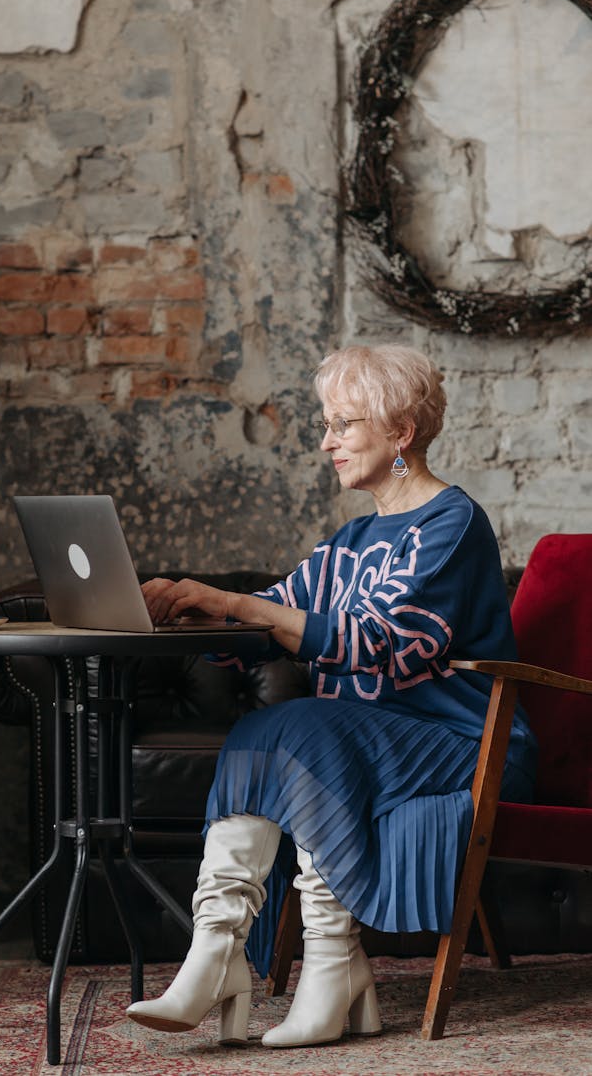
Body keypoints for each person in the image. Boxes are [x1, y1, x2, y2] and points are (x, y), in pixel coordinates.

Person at [125, 344, 537, 1048]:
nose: (326, 441)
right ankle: (225, 953)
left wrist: (236, 604)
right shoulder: (349, 542)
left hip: (462, 743)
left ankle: (308, 970)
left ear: (400, 432)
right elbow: (277, 612)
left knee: (298, 728)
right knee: (275, 730)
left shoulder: (450, 524)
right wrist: (196, 610)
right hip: (370, 739)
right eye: (329, 423)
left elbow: (375, 640)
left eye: (343, 424)